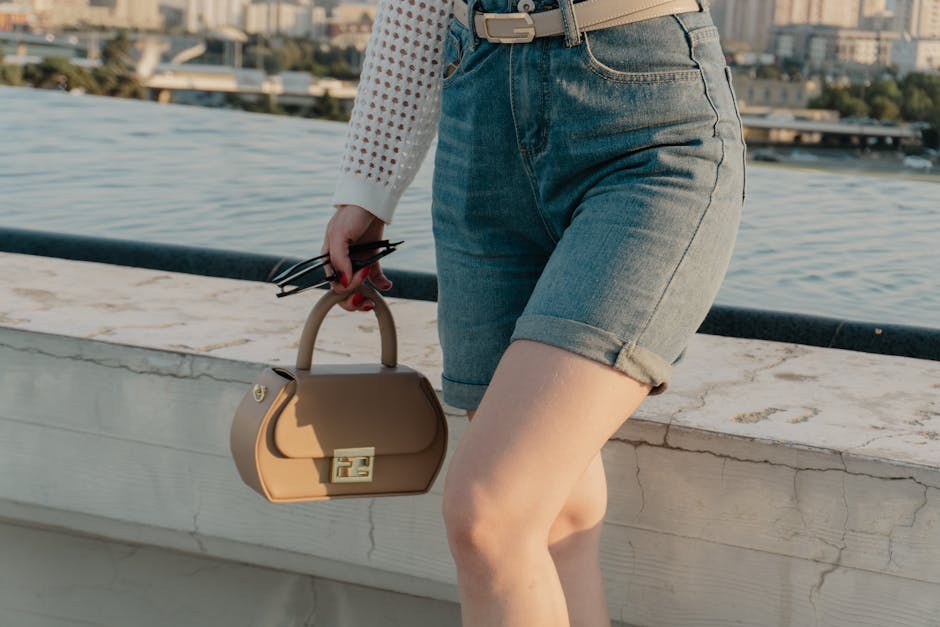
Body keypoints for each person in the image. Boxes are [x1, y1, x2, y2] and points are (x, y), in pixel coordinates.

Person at [320, 0, 745, 624]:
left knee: (490, 515)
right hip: (478, 122)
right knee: (552, 520)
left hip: (646, 120)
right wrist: (368, 184)